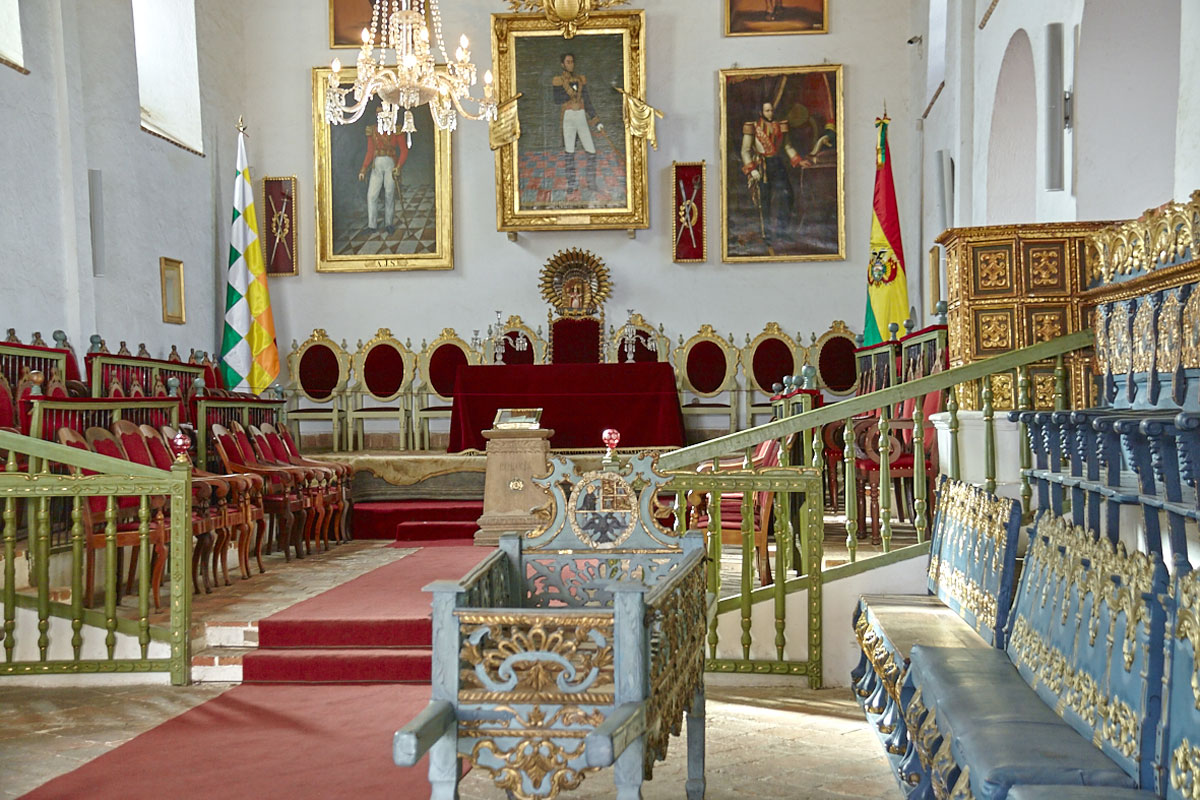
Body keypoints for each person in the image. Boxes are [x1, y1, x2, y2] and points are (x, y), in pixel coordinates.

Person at [741, 100, 809, 249]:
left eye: (771, 110)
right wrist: (752, 169)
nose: (770, 113)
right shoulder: (753, 127)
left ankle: (782, 232)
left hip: (777, 164)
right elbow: (745, 151)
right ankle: (766, 235)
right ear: (761, 112)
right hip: (762, 165)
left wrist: (798, 161)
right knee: (764, 200)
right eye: (767, 111)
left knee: (787, 195)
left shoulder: (781, 125)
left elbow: (787, 146)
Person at [552, 53, 604, 193]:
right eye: (568, 62)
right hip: (568, 117)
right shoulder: (558, 80)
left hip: (581, 116)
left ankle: (591, 183)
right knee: (569, 151)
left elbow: (587, 101)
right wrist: (571, 93)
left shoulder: (581, 80)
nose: (571, 64)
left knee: (591, 150)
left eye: (572, 61)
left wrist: (596, 120)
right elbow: (557, 100)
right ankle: (572, 184)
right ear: (562, 64)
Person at [358, 124, 408, 234]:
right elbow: (370, 151)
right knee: (371, 195)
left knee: (389, 194)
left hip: (390, 164)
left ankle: (389, 224)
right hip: (376, 165)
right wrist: (364, 168)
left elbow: (404, 150)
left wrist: (398, 166)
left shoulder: (395, 129)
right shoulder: (372, 130)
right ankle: (372, 225)